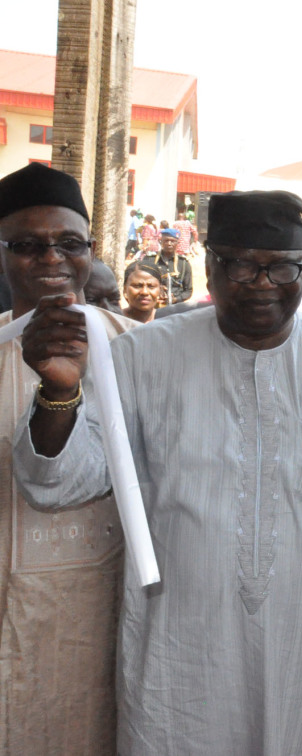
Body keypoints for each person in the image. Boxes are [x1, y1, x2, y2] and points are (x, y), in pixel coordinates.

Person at [13, 189, 302, 755]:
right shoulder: (141, 356)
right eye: (241, 265)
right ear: (211, 266)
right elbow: (59, 482)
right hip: (179, 648)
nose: (262, 284)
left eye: (281, 268)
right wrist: (59, 390)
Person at [0, 162, 137, 753]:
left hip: (105, 618)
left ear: (91, 248)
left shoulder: (141, 351)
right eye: (29, 245)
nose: (51, 258)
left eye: (68, 243)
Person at [151, 228, 193, 304]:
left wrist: (176, 299)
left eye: (172, 241)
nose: (169, 243)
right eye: (166, 240)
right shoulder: (150, 260)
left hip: (176, 307)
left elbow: (188, 291)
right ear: (161, 242)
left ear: (178, 243)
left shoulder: (184, 264)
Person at [121, 258, 164, 324]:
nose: (144, 292)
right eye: (137, 286)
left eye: (151, 286)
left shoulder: (167, 323)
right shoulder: (116, 322)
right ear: (125, 289)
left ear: (160, 290)